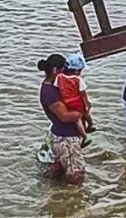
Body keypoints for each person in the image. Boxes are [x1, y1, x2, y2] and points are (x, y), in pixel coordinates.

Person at [38, 54, 86, 184]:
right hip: (66, 138)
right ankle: (70, 201)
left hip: (58, 135)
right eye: (63, 69)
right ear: (55, 70)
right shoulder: (50, 93)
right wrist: (82, 111)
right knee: (76, 176)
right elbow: (64, 117)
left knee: (58, 173)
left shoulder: (53, 86)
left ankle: (57, 197)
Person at [54, 52, 96, 148]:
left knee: (77, 120)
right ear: (77, 71)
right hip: (77, 103)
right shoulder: (78, 80)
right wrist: (86, 104)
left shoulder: (59, 77)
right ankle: (87, 130)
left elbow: (57, 87)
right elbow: (83, 94)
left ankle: (84, 131)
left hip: (66, 103)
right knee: (84, 115)